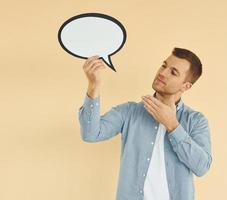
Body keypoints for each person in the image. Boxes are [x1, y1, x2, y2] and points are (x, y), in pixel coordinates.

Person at [78, 47, 212, 200]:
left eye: (173, 72)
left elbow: (201, 167)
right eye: (164, 65)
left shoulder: (195, 120)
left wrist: (173, 126)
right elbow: (90, 134)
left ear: (186, 86)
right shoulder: (129, 112)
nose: (163, 73)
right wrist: (93, 86)